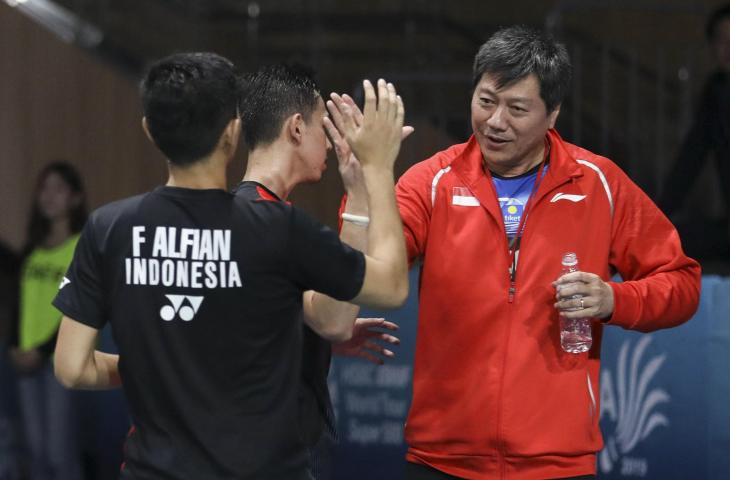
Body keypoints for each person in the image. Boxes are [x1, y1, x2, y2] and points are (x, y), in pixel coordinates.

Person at [349, 26, 699, 479]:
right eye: (486, 100)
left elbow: (682, 281)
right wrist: (363, 183)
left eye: (517, 109)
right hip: (442, 459)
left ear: (552, 113)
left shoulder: (599, 183)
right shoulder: (431, 181)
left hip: (558, 462)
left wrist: (616, 300)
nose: (496, 121)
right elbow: (373, 266)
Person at [51, 51, 409, 479]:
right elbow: (391, 286)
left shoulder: (107, 228)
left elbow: (72, 367)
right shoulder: (276, 228)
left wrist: (159, 369)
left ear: (149, 130)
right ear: (233, 131)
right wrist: (379, 168)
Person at [236, 64, 407, 480]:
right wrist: (368, 185)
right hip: (271, 455)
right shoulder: (279, 225)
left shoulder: (237, 216)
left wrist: (305, 337)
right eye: (321, 128)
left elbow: (261, 318)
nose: (330, 145)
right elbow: (335, 318)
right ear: (296, 129)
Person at [10, 162, 86, 480]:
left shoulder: (82, 247)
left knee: (59, 454)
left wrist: (41, 351)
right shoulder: (31, 251)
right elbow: (19, 305)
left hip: (58, 361)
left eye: (58, 188)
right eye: (44, 187)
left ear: (75, 199)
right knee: (35, 453)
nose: (49, 195)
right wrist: (14, 346)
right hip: (23, 362)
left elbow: (77, 310)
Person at [659, 4, 730, 259]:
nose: (728, 47)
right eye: (721, 41)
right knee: (672, 239)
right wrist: (659, 214)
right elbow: (692, 156)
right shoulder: (717, 92)